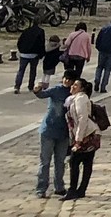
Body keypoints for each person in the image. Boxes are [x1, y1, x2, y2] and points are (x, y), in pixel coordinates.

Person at [33, 68, 76, 200]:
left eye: (70, 79)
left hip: (64, 133)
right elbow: (42, 94)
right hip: (48, 130)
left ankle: (59, 187)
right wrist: (37, 90)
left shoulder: (74, 95)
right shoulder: (56, 90)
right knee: (45, 161)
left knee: (60, 161)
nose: (67, 81)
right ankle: (41, 189)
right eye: (65, 78)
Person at [65, 75, 101, 200]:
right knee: (85, 162)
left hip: (88, 134)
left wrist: (78, 140)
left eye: (76, 85)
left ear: (81, 89)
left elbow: (82, 119)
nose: (72, 86)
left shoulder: (80, 99)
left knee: (75, 161)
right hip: (86, 133)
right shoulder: (74, 99)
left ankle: (74, 190)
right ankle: (80, 190)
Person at [14, 19, 47, 93]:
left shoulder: (26, 30)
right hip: (34, 54)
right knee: (33, 71)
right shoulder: (40, 31)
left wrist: (21, 50)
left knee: (21, 70)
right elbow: (41, 43)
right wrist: (41, 54)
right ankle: (30, 86)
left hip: (24, 54)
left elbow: (19, 41)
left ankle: (17, 86)